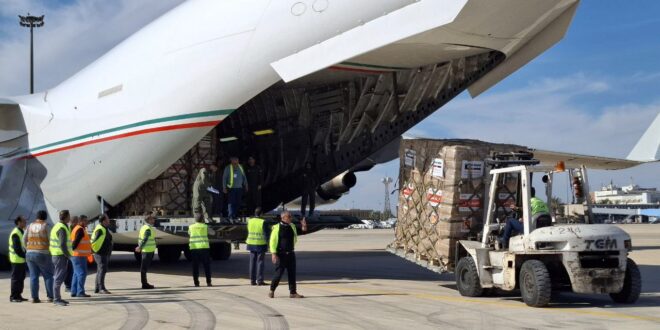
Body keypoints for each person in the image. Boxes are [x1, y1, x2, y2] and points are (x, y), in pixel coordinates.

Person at [269, 211, 307, 298]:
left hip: (291, 253)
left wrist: (304, 225)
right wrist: (273, 254)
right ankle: (272, 290)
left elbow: (303, 231)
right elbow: (272, 241)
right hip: (280, 254)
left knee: (292, 274)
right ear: (283, 218)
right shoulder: (277, 228)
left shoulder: (292, 226)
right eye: (289, 217)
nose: (291, 218)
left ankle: (293, 292)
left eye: (290, 216)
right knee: (278, 274)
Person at [24, 210, 54, 303]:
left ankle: (34, 298)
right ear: (45, 217)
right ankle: (50, 296)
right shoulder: (46, 226)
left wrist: (27, 248)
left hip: (30, 253)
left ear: (36, 217)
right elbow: (51, 240)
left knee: (33, 277)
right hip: (43, 253)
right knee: (48, 276)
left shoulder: (29, 226)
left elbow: (24, 239)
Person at [49, 210, 73, 306]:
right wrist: (68, 255)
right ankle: (56, 299)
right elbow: (62, 244)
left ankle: (58, 298)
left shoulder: (58, 226)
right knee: (58, 277)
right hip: (60, 256)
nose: (70, 218)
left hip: (57, 255)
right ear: (66, 217)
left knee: (59, 277)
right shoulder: (62, 228)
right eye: (69, 216)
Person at [246, 208, 270, 286]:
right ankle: (260, 280)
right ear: (261, 214)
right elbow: (267, 234)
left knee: (252, 262)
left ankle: (252, 281)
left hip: (251, 243)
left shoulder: (250, 221)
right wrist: (268, 245)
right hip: (260, 244)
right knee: (260, 262)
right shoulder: (263, 222)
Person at [70, 215, 91, 298]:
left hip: (76, 255)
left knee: (76, 273)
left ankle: (74, 291)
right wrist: (74, 250)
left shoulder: (77, 228)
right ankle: (80, 292)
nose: (87, 222)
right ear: (81, 221)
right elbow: (75, 243)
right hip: (79, 255)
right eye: (86, 220)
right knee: (82, 273)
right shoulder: (80, 230)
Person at [188, 214, 212, 287]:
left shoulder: (191, 227)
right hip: (204, 248)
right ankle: (208, 282)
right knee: (206, 266)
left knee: (195, 266)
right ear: (202, 219)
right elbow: (212, 233)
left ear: (195, 219)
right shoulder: (205, 226)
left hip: (194, 249)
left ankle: (196, 283)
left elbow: (189, 233)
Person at [91, 214, 113, 294]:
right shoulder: (100, 229)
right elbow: (93, 241)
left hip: (104, 253)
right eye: (107, 219)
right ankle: (101, 288)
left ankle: (97, 288)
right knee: (102, 270)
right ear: (103, 221)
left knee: (100, 270)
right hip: (100, 253)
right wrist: (92, 250)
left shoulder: (104, 228)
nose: (109, 220)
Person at [8, 216, 28, 302]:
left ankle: (18, 295)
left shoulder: (21, 231)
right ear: (19, 222)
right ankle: (13, 296)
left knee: (21, 278)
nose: (25, 223)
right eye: (24, 221)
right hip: (16, 259)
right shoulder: (16, 233)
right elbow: (17, 249)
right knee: (16, 279)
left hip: (21, 260)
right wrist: (25, 256)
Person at [135, 212, 157, 289]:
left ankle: (144, 283)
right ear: (149, 220)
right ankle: (144, 284)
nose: (154, 220)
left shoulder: (144, 227)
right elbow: (145, 239)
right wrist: (140, 247)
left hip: (147, 250)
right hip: (147, 251)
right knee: (144, 268)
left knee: (144, 268)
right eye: (153, 218)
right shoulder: (147, 229)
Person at [223, 157, 248, 222]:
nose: (236, 162)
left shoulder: (240, 167)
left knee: (238, 203)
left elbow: (244, 176)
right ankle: (230, 216)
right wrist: (224, 187)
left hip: (239, 188)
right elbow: (224, 178)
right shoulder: (228, 168)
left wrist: (246, 185)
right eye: (234, 161)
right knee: (231, 203)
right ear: (231, 161)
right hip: (231, 189)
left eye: (237, 161)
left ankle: (234, 216)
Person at [64, 215, 79, 293]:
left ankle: (71, 286)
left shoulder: (76, 228)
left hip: (74, 253)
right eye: (76, 221)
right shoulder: (68, 229)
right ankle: (67, 286)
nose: (77, 223)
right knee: (69, 270)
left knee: (72, 270)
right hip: (70, 252)